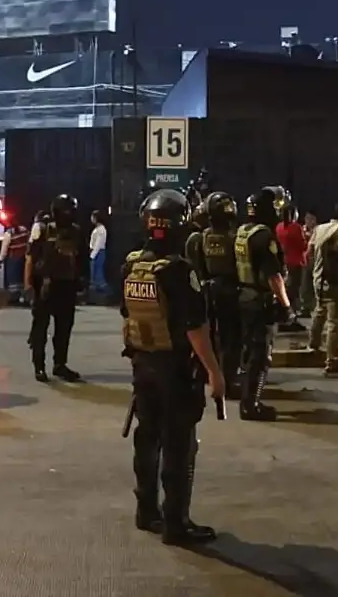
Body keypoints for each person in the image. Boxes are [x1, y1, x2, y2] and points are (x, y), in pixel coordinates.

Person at [121, 188, 225, 546]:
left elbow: (129, 316)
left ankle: (145, 510)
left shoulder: (133, 264)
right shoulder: (179, 270)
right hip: (176, 370)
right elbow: (195, 328)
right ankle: (176, 523)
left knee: (146, 437)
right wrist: (215, 371)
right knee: (179, 444)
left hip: (142, 364)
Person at [234, 186, 293, 420]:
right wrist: (286, 305)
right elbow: (274, 276)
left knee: (249, 352)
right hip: (261, 301)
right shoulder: (264, 237)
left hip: (244, 297)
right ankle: (251, 405)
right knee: (261, 356)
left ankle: (248, 400)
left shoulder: (243, 231)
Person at [187, 192, 244, 398]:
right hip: (229, 290)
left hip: (205, 290)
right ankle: (228, 380)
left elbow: (195, 267)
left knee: (206, 335)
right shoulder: (236, 237)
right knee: (231, 338)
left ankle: (200, 373)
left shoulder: (198, 238)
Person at [25, 194, 84, 383]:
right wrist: (28, 284)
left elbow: (80, 259)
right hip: (44, 285)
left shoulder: (76, 232)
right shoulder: (42, 229)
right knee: (40, 328)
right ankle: (39, 366)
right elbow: (31, 257)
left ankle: (60, 365)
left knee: (64, 328)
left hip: (66, 286)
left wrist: (81, 282)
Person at [307, 202, 338, 375]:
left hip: (319, 279)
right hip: (337, 281)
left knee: (320, 310)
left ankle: (313, 344)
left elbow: (310, 252)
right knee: (335, 322)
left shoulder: (319, 228)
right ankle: (332, 360)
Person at [275, 206, 307, 331]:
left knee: (285, 290)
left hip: (283, 262)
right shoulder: (296, 227)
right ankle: (290, 319)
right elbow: (302, 245)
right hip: (295, 263)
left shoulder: (278, 227)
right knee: (293, 292)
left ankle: (284, 317)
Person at [0, 217, 30, 306]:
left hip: (13, 258)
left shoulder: (9, 233)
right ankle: (25, 298)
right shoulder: (24, 229)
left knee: (13, 279)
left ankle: (14, 298)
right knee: (23, 278)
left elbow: (4, 247)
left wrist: (0, 259)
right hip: (24, 257)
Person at [89, 209, 109, 302]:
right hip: (95, 252)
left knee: (98, 273)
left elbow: (98, 243)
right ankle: (97, 294)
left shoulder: (101, 229)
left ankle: (107, 293)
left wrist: (93, 255)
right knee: (95, 273)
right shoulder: (97, 229)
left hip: (98, 252)